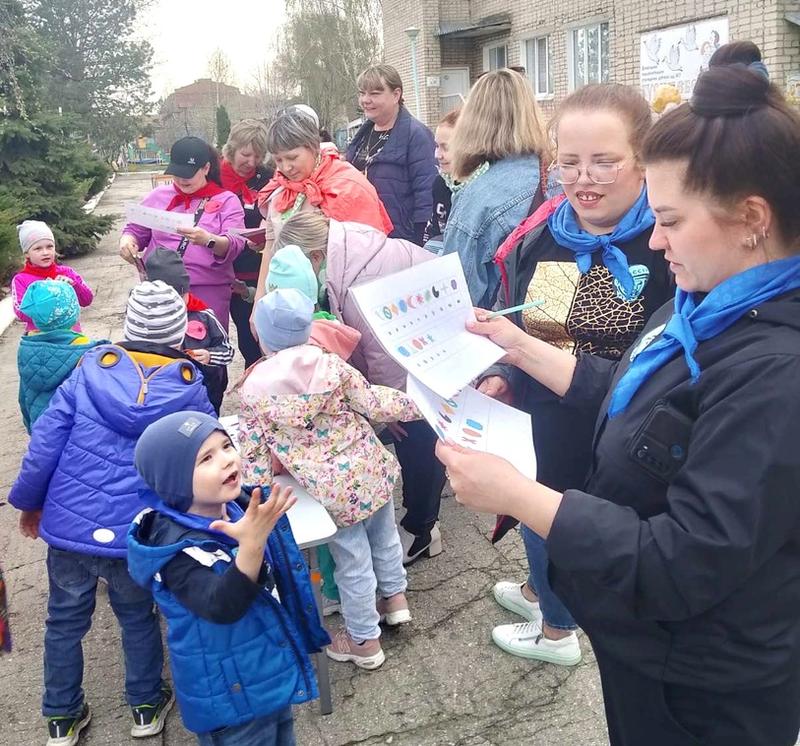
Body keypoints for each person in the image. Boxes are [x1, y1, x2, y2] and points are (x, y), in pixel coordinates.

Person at [438, 64, 800, 746]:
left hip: (701, 679)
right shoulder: (700, 301)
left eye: (669, 220)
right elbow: (623, 388)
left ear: (752, 219)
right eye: (569, 161)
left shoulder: (774, 372)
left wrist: (522, 497)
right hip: (646, 636)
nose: (656, 240)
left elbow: (684, 561)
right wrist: (519, 355)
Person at [482, 83, 673, 666]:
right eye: (569, 162)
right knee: (537, 516)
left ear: (642, 160)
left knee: (568, 525)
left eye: (604, 162)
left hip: (621, 442)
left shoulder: (667, 246)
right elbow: (528, 322)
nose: (584, 179)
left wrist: (524, 352)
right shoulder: (543, 235)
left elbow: (650, 379)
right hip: (544, 426)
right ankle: (544, 591)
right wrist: (506, 374)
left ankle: (557, 632)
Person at [8, 280, 215, 745]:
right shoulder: (188, 388)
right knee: (137, 616)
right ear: (180, 333)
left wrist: (28, 503)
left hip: (69, 527)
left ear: (128, 325)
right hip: (134, 532)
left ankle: (61, 716)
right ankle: (145, 704)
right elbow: (203, 456)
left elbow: (44, 445)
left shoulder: (88, 371)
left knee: (64, 621)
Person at [240, 289, 420, 669]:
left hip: (330, 492)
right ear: (308, 330)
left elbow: (253, 451)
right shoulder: (332, 366)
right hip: (370, 469)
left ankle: (364, 641)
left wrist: (257, 497)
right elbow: (373, 402)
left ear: (263, 337)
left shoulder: (254, 389)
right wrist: (418, 405)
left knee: (352, 561)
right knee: (385, 538)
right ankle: (395, 600)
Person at [128, 411, 329, 745]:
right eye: (206, 458)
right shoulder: (174, 550)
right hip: (231, 697)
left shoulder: (240, 506)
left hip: (267, 668)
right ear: (174, 480)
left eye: (226, 445)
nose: (226, 460)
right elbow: (222, 605)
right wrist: (252, 545)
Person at [273, 211, 447, 563]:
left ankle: (422, 528)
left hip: (426, 350)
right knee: (409, 429)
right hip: (421, 339)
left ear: (316, 257)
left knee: (415, 432)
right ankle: (420, 516)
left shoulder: (360, 283)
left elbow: (385, 354)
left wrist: (389, 410)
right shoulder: (346, 248)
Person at [253, 109, 393, 314]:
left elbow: (368, 254)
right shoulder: (281, 189)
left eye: (292, 157)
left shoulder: (347, 185)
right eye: (278, 160)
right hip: (290, 304)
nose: (286, 167)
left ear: (312, 147)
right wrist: (259, 300)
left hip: (342, 303)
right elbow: (271, 247)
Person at [442, 69, 549, 308]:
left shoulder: (477, 200)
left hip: (503, 324)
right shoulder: (562, 178)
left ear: (471, 122)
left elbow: (457, 299)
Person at [119, 136, 246, 330]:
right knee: (160, 343)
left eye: (188, 174)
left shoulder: (227, 200)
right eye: (177, 173)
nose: (181, 179)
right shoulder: (158, 196)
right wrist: (128, 241)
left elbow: (236, 243)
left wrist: (208, 240)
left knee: (204, 342)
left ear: (206, 168)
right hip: (159, 289)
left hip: (207, 289)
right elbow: (136, 229)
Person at [347, 64, 437, 245]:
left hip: (401, 240)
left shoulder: (417, 135)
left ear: (396, 95)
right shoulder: (361, 136)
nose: (365, 100)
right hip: (364, 237)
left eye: (374, 94)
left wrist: (420, 242)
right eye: (362, 93)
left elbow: (427, 194)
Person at [145, 248, 234, 413]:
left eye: (180, 295)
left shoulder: (203, 315)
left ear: (187, 290)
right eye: (167, 299)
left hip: (208, 391)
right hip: (168, 396)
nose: (176, 303)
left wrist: (210, 356)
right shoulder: (148, 322)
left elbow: (228, 351)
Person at [17, 280, 107, 433]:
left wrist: (32, 429)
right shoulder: (87, 350)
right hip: (77, 432)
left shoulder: (27, 348)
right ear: (72, 314)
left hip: (43, 431)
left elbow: (23, 396)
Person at [220, 119, 274, 367]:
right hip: (225, 272)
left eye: (258, 156)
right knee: (241, 339)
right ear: (232, 149)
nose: (251, 162)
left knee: (260, 340)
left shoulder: (268, 178)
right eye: (245, 154)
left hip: (258, 270)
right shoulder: (213, 178)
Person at [13, 220, 93, 333]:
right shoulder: (21, 280)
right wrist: (48, 298)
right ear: (27, 253)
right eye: (38, 249)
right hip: (40, 338)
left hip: (70, 336)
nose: (45, 252)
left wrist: (73, 285)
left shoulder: (67, 272)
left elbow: (87, 300)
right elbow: (21, 312)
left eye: (49, 246)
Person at [422, 108, 460, 251]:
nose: (438, 155)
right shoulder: (440, 184)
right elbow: (435, 230)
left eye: (446, 147)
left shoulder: (480, 191)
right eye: (437, 146)